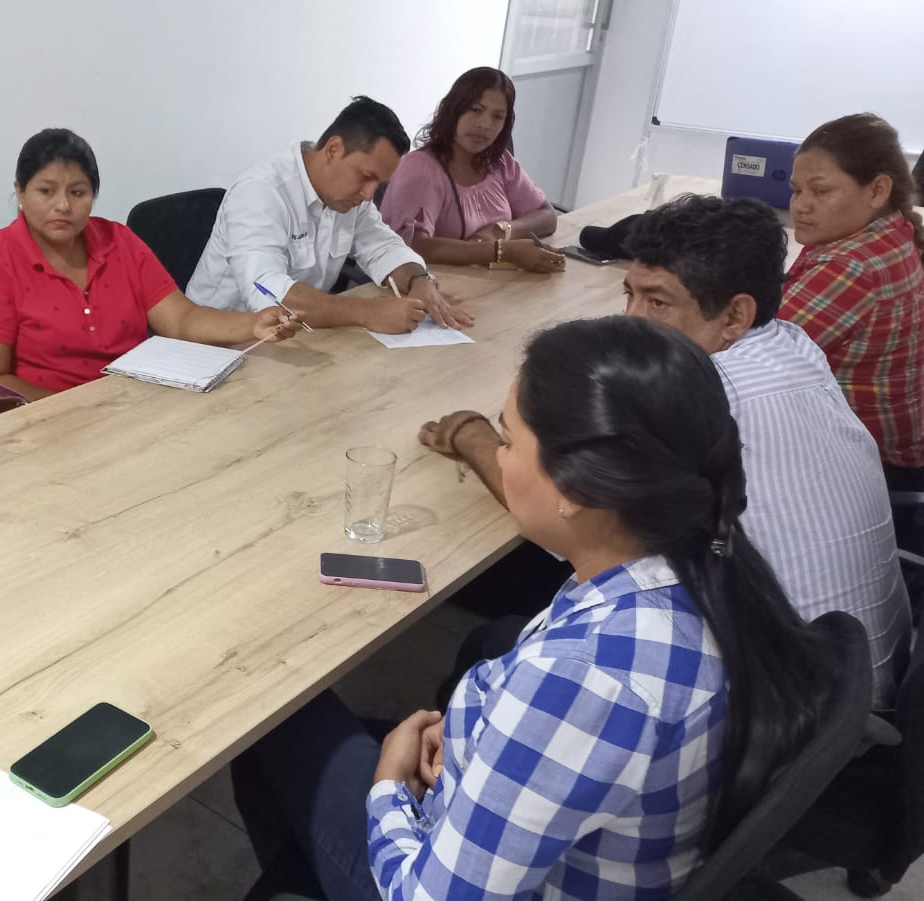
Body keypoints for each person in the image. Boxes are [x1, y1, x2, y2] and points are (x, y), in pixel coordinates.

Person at [233, 315, 840, 899]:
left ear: (576, 489)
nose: (497, 457)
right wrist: (478, 736)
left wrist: (389, 784)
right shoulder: (694, 562)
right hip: (569, 839)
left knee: (276, 714)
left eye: (507, 440)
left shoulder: (583, 681)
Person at [423, 194, 909, 706]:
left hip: (779, 701)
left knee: (495, 629)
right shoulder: (792, 344)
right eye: (629, 294)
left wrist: (475, 436)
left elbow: (569, 501)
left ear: (735, 315)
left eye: (657, 303)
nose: (632, 321)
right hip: (854, 677)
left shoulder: (701, 399)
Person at [0, 129, 300, 399]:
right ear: (20, 192)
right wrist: (71, 411)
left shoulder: (118, 242)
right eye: (46, 191)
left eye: (78, 192)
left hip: (134, 407)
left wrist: (253, 323)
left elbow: (181, 319)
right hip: (44, 423)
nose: (63, 206)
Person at [186, 96, 473, 332]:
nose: (369, 194)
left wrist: (419, 280)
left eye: (378, 183)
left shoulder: (348, 197)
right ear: (333, 149)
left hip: (296, 338)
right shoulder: (260, 193)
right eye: (366, 176)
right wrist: (366, 313)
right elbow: (268, 295)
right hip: (219, 347)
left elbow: (384, 246)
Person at [781, 113, 924, 485]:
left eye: (820, 191)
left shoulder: (852, 266)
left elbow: (746, 359)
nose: (801, 206)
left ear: (877, 191)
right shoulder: (892, 230)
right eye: (796, 190)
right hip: (897, 452)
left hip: (871, 467)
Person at [379, 67, 565, 273]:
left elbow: (547, 216)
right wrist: (500, 251)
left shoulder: (499, 162)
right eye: (476, 110)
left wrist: (501, 231)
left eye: (497, 116)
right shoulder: (421, 168)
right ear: (453, 109)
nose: (485, 124)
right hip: (427, 284)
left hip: (490, 283)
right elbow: (415, 246)